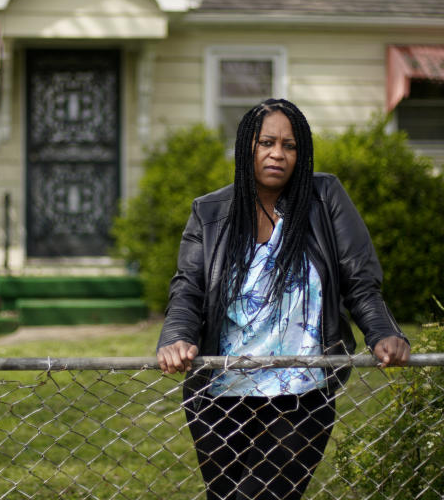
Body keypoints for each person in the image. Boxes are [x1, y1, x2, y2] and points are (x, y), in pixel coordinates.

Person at [156, 98, 410, 500]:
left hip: (300, 391)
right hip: (220, 393)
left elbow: (358, 279)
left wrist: (382, 331)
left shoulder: (324, 199)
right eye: (266, 142)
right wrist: (176, 337)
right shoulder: (209, 211)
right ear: (247, 148)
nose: (278, 154)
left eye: (290, 145)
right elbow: (188, 288)